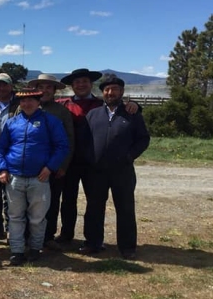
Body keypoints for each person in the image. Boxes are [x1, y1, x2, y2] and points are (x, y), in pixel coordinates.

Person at [55, 68, 138, 245]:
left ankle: (92, 239)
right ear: (72, 86)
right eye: (77, 82)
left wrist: (136, 105)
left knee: (94, 203)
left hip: (93, 162)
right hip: (69, 161)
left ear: (91, 84)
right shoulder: (63, 104)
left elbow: (121, 108)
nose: (81, 85)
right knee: (68, 199)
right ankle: (66, 234)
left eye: (84, 81)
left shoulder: (101, 104)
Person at [0, 89, 70, 266]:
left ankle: (36, 248)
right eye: (23, 101)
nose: (26, 104)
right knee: (15, 216)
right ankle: (17, 250)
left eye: (31, 100)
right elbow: (1, 148)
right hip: (14, 177)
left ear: (38, 102)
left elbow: (62, 146)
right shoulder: (12, 123)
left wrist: (50, 167)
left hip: (40, 178)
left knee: (37, 217)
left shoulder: (50, 121)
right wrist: (2, 169)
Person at [82, 76, 150, 259]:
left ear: (122, 92)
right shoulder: (93, 114)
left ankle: (127, 247)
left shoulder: (132, 114)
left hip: (123, 170)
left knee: (125, 208)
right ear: (102, 92)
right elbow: (84, 140)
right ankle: (92, 243)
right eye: (107, 90)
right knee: (94, 208)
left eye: (115, 89)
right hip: (96, 171)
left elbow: (143, 139)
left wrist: (129, 156)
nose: (110, 93)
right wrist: (90, 158)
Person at [26, 74, 75, 251]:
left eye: (49, 87)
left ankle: (48, 236)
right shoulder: (26, 107)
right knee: (28, 202)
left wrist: (62, 165)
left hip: (53, 167)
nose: (45, 90)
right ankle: (27, 235)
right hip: (29, 166)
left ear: (54, 90)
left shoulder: (62, 112)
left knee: (51, 202)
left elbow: (69, 140)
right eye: (41, 87)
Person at [0, 72, 19, 240]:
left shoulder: (19, 105)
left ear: (11, 86)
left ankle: (11, 229)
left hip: (10, 156)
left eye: (5, 84)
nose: (2, 88)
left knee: (11, 196)